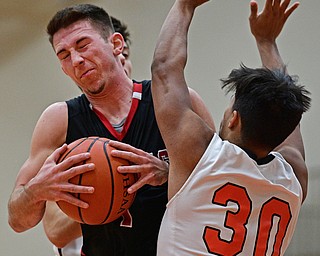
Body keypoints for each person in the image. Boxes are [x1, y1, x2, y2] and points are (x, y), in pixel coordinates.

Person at [7, 3, 214, 256]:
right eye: (64, 55)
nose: (76, 60)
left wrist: (171, 173)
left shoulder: (176, 101)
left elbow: (224, 182)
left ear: (116, 44)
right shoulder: (58, 120)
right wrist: (36, 190)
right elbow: (17, 221)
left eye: (83, 45)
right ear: (62, 68)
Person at [150, 0, 311, 255]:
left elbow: (164, 69)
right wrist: (266, 42)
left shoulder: (201, 156)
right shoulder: (294, 177)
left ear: (234, 119)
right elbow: (287, 114)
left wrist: (185, 6)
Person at [41, 16, 134, 256]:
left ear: (118, 48)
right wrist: (115, 190)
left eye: (122, 59)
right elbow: (55, 229)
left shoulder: (155, 114)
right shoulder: (67, 130)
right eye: (70, 53)